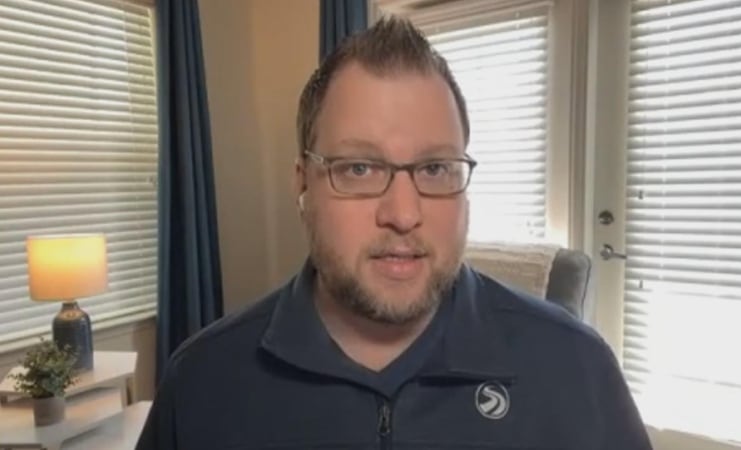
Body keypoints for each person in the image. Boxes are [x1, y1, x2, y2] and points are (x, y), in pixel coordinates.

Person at [137, 17, 652, 450]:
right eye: (359, 168)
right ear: (303, 187)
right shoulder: (202, 384)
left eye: (434, 169)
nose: (404, 214)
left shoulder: (576, 368)